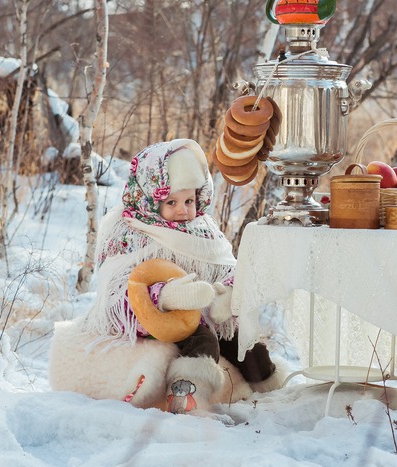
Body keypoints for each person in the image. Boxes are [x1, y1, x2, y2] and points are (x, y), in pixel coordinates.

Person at [85, 138, 278, 414]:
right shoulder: (134, 233)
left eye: (189, 200)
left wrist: (227, 293)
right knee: (203, 342)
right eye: (171, 201)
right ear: (150, 201)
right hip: (162, 321)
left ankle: (268, 386)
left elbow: (230, 268)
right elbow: (122, 290)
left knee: (245, 343)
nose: (182, 209)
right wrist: (166, 297)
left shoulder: (203, 230)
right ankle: (185, 398)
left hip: (207, 313)